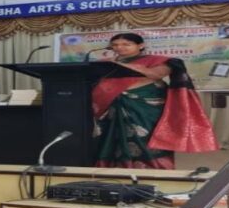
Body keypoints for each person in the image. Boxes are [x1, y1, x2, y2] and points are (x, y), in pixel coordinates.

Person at [91, 32, 218, 169]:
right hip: (111, 105)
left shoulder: (158, 60)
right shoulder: (104, 64)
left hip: (145, 106)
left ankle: (154, 169)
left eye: (126, 44)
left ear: (141, 45)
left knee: (145, 139)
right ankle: (114, 170)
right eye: (115, 45)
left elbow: (156, 74)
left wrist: (122, 66)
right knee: (110, 138)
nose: (119, 47)